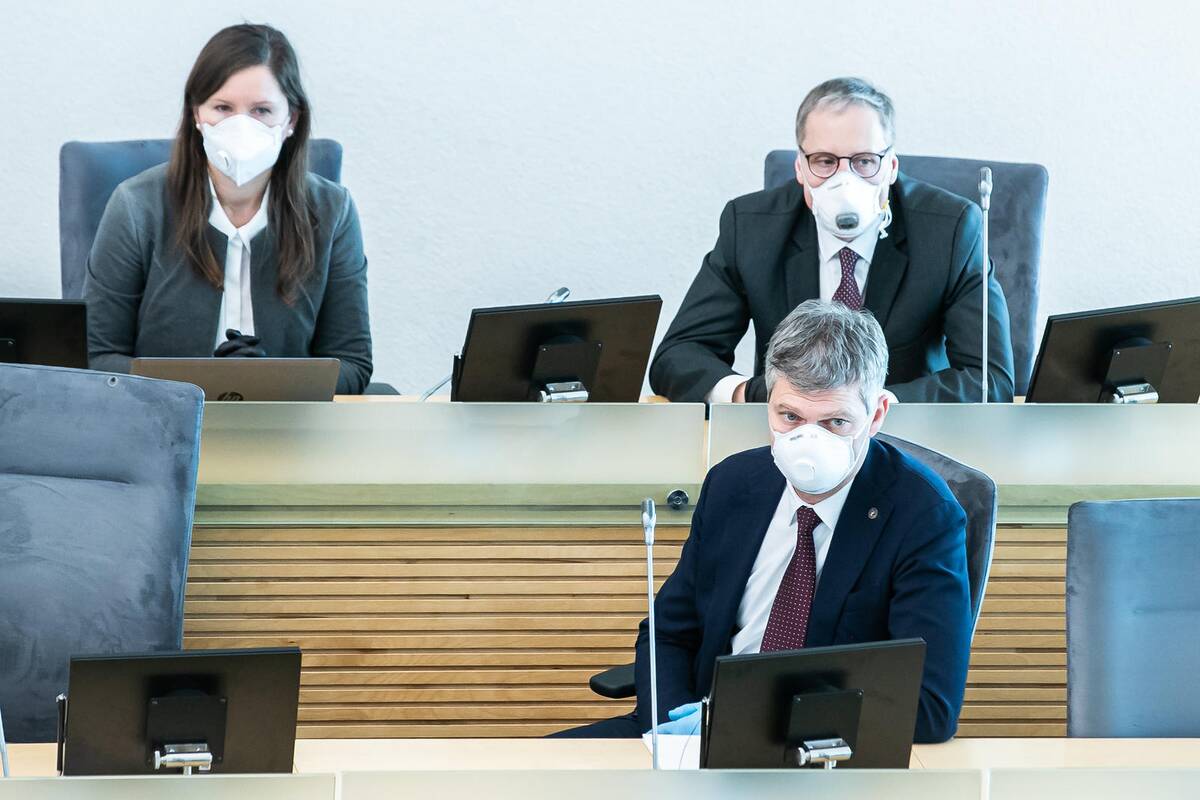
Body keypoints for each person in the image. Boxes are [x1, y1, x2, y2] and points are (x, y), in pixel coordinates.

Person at [563, 300, 972, 743]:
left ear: (876, 415)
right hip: (692, 731)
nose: (808, 440)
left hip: (824, 749)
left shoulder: (923, 516)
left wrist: (752, 727)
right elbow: (669, 633)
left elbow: (930, 707)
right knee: (524, 773)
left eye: (836, 422)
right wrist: (673, 729)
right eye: (790, 416)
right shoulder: (733, 483)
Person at [650, 77, 1013, 404]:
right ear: (800, 167)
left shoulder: (950, 230)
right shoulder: (750, 227)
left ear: (891, 167)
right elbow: (677, 357)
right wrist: (755, 395)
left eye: (864, 161)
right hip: (786, 432)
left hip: (899, 436)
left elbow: (990, 380)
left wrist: (872, 406)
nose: (844, 180)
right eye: (824, 161)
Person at [85, 23, 373, 394]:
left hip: (285, 421)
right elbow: (96, 356)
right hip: (163, 419)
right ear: (196, 114)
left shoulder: (334, 212)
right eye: (223, 108)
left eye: (262, 110)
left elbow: (352, 364)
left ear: (291, 120)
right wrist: (207, 383)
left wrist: (270, 381)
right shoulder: (136, 206)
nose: (241, 127)